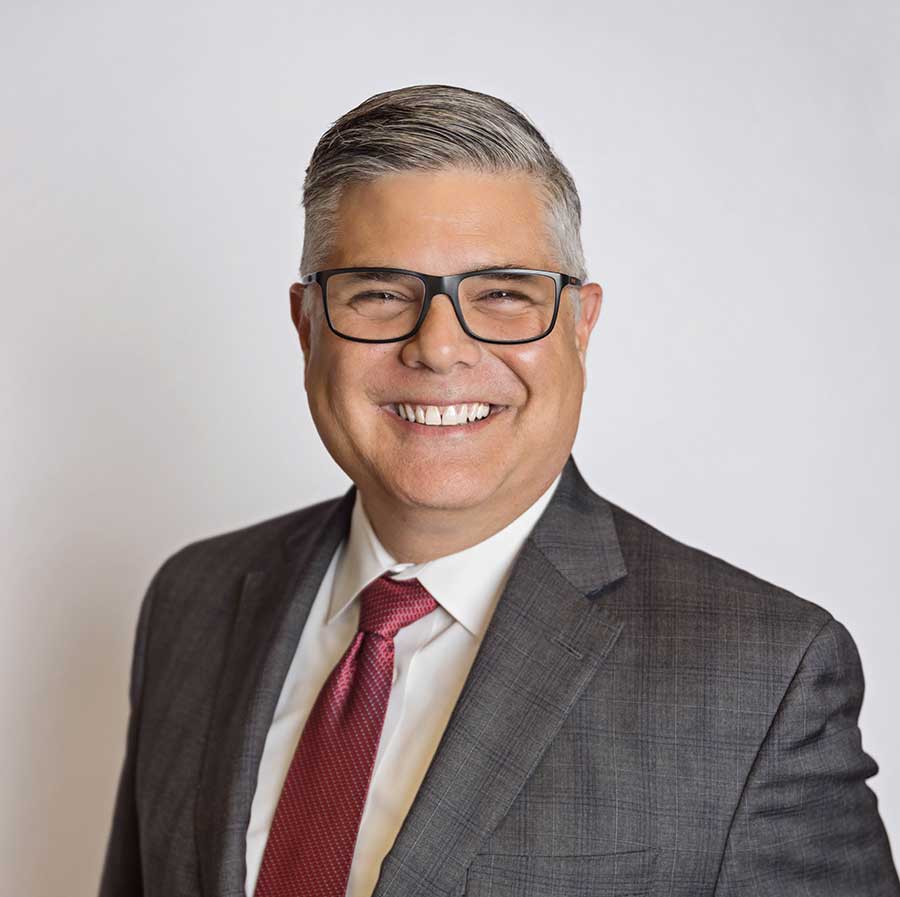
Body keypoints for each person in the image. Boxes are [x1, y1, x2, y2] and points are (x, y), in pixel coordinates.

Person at [98, 84, 899, 897]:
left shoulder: (763, 677)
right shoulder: (191, 602)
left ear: (580, 326)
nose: (439, 348)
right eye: (379, 293)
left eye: (503, 294)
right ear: (308, 326)